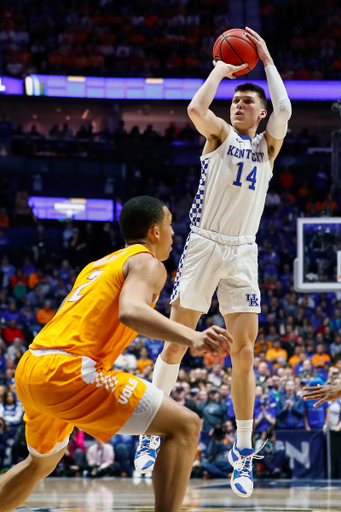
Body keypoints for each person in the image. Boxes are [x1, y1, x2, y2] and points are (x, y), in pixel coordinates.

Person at [135, 27, 292, 499]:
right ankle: (147, 429)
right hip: (204, 246)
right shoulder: (219, 135)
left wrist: (265, 59)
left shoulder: (267, 145)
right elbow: (195, 110)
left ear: (261, 113)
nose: (239, 105)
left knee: (244, 353)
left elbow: (284, 109)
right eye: (236, 100)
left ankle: (242, 452)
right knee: (176, 342)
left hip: (244, 250)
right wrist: (222, 68)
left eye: (248, 102)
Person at [0, 196, 231, 512]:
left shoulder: (98, 264)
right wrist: (194, 336)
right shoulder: (149, 263)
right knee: (186, 426)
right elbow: (131, 311)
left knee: (38, 464)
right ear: (155, 232)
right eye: (170, 226)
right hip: (68, 370)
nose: (175, 233)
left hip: (32, 368)